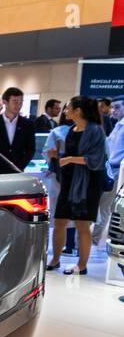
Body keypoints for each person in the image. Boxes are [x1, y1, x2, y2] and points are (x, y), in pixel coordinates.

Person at [48, 96, 107, 276]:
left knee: (82, 225)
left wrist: (70, 159)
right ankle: (55, 260)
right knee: (59, 222)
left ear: (78, 110)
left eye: (69, 108)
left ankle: (82, 265)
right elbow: (70, 154)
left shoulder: (96, 131)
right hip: (69, 182)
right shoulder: (72, 129)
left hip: (88, 184)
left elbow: (97, 160)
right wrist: (58, 155)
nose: (66, 111)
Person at [92, 94, 124, 248]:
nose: (113, 110)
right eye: (113, 107)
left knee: (105, 207)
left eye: (117, 107)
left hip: (117, 171)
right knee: (99, 206)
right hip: (107, 169)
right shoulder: (117, 125)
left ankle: (93, 240)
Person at [0, 87, 35, 170]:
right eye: (15, 102)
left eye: (20, 102)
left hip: (18, 170)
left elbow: (30, 149)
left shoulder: (28, 124)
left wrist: (19, 166)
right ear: (5, 102)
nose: (18, 105)